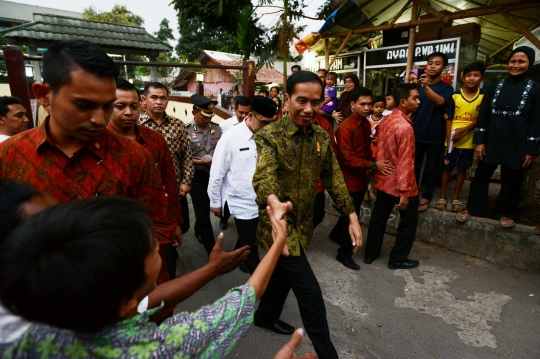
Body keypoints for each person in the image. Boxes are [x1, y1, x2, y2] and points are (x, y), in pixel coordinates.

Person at [0, 193, 304, 358]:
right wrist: (278, 239)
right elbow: (247, 295)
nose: (158, 250)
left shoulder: (35, 333)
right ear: (124, 301)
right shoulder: (170, 342)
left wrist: (210, 269)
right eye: (150, 250)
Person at [0, 39, 177, 283]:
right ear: (43, 95)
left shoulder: (134, 156)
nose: (98, 119)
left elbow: (159, 224)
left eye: (106, 107)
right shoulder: (9, 156)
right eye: (84, 105)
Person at [252, 71, 362, 359]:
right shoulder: (269, 136)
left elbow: (334, 176)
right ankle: (328, 354)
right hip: (279, 227)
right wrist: (273, 201)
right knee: (310, 294)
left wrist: (351, 216)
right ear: (287, 100)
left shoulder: (322, 137)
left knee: (282, 276)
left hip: (305, 224)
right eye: (301, 100)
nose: (309, 109)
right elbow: (265, 175)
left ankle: (264, 316)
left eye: (316, 102)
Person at [108, 79, 183, 279]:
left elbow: (170, 182)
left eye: (133, 106)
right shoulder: (99, 143)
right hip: (117, 233)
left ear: (140, 105)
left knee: (166, 282)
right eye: (120, 106)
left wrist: (174, 221)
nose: (128, 112)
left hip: (158, 225)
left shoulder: (155, 140)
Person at [457, 46, 540, 227]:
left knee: (512, 180)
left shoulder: (535, 89)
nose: (516, 65)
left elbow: (536, 122)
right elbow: (484, 115)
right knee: (481, 176)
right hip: (491, 141)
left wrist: (530, 150)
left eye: (521, 61)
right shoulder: (495, 86)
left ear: (530, 64)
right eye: (513, 61)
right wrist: (479, 141)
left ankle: (505, 212)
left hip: (517, 143)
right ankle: (474, 207)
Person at [209, 96, 278, 274]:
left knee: (252, 237)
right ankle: (258, 281)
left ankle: (238, 258)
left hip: (264, 201)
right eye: (262, 122)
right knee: (251, 245)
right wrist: (215, 201)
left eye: (269, 123)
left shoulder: (270, 136)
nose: (265, 127)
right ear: (250, 115)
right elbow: (217, 172)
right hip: (241, 202)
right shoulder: (231, 137)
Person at [331, 87, 394, 270]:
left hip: (361, 175)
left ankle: (336, 234)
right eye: (363, 104)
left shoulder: (366, 124)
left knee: (350, 210)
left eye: (369, 104)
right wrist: (374, 165)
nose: (367, 108)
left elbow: (364, 149)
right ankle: (344, 253)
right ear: (352, 105)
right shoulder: (344, 128)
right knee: (352, 214)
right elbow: (347, 159)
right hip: (348, 177)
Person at [364, 83, 421, 269]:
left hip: (383, 179)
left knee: (379, 217)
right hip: (400, 182)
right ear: (403, 102)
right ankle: (397, 259)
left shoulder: (387, 120)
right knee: (409, 222)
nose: (418, 101)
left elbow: (380, 149)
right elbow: (405, 162)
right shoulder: (405, 127)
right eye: (415, 98)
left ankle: (370, 254)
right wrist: (404, 192)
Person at [139, 82, 194, 236]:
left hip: (175, 187)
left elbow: (186, 155)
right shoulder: (136, 126)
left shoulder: (178, 125)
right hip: (148, 191)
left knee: (182, 225)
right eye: (154, 97)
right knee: (152, 229)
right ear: (144, 99)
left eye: (163, 98)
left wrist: (186, 181)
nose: (158, 102)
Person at [436, 62, 485, 212]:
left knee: (462, 169)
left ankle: (456, 197)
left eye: (476, 75)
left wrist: (463, 131)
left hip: (469, 139)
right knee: (447, 168)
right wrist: (450, 137)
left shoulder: (483, 96)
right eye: (468, 75)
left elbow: (481, 118)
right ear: (463, 78)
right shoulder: (455, 96)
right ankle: (442, 196)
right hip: (452, 139)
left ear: (481, 78)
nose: (472, 78)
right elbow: (448, 118)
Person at [414, 52, 454, 212]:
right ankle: (412, 193)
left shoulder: (446, 88)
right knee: (414, 166)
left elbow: (439, 102)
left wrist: (425, 87)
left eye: (437, 63)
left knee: (432, 168)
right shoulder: (417, 87)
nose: (432, 66)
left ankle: (427, 195)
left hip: (435, 135)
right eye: (430, 63)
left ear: (443, 68)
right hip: (416, 133)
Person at [187, 94, 222, 255]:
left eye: (210, 116)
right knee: (202, 213)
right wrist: (200, 162)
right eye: (204, 116)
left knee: (209, 206)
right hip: (197, 176)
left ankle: (198, 229)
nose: (208, 120)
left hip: (214, 176)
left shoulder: (217, 128)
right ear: (194, 113)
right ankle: (212, 251)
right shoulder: (186, 131)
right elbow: (184, 158)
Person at [367, 95, 387, 202]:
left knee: (376, 172)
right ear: (372, 107)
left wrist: (380, 140)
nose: (379, 109)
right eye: (376, 107)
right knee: (366, 172)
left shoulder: (386, 120)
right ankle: (365, 190)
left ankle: (372, 191)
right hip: (368, 151)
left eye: (381, 107)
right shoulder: (367, 120)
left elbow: (388, 136)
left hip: (379, 152)